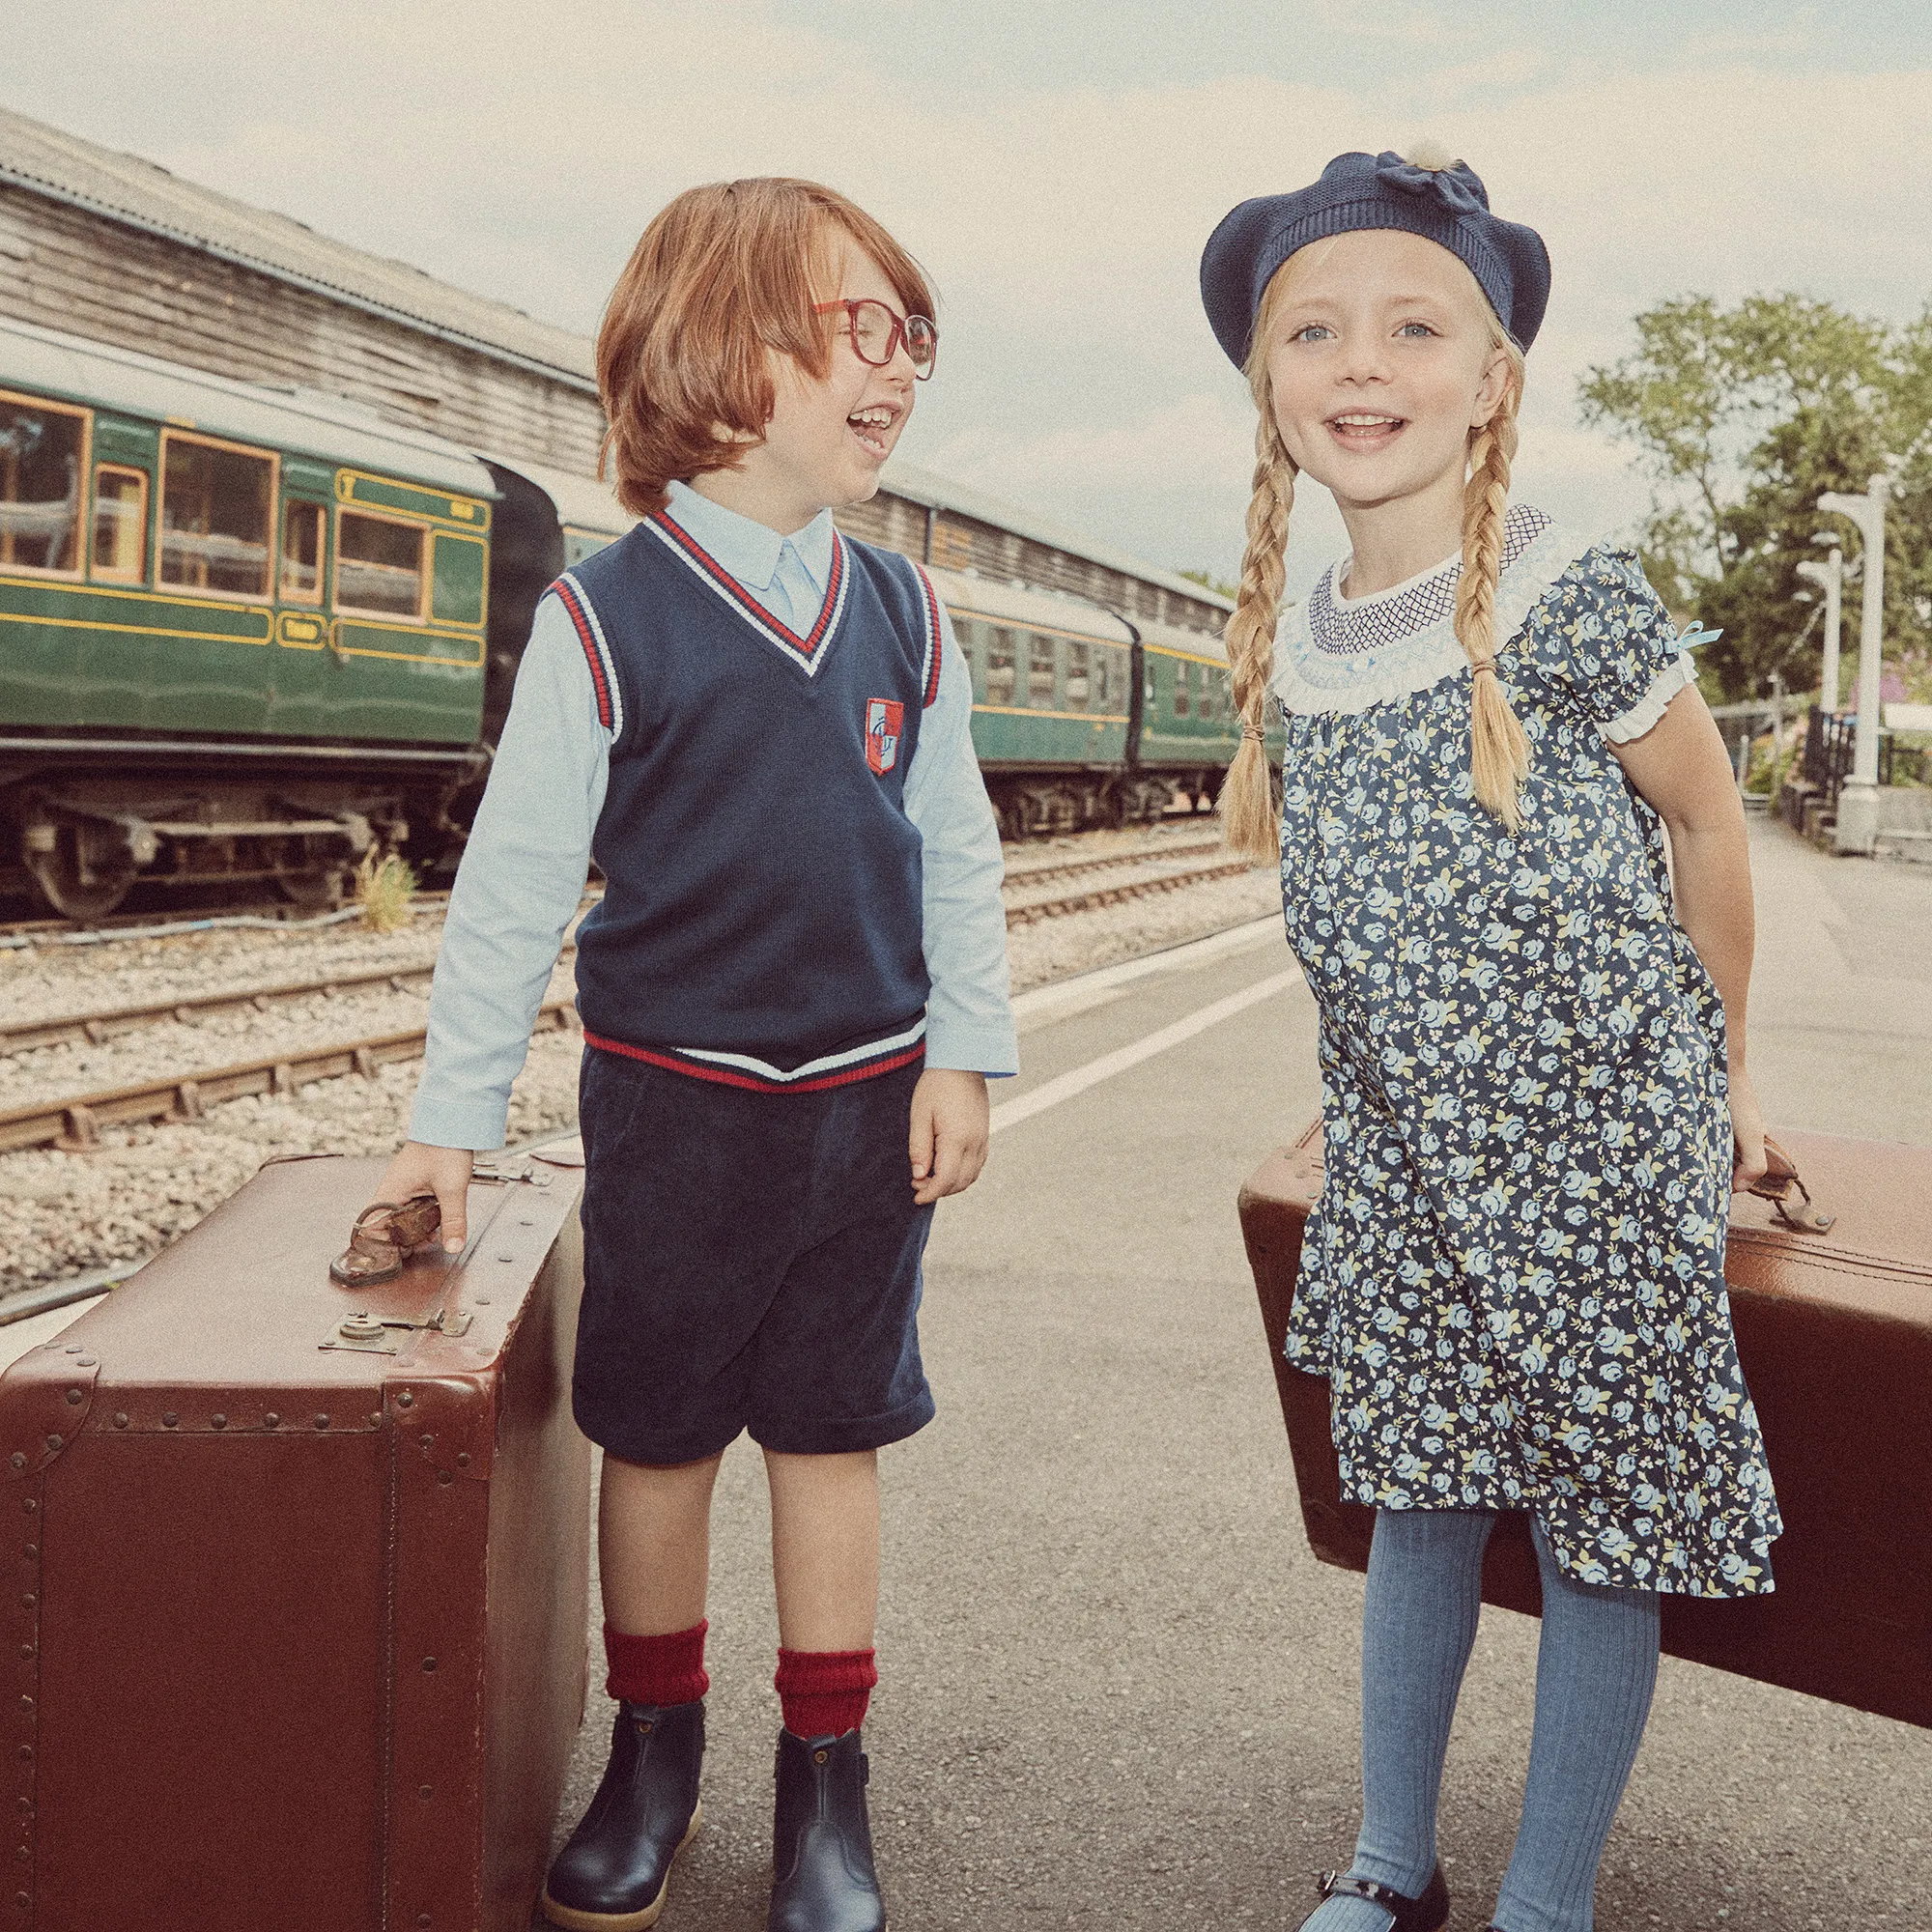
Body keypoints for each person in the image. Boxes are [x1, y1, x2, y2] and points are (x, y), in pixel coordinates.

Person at [365, 177, 1015, 1932]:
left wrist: (969, 1050)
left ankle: (829, 1787)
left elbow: (953, 846)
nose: (899, 368)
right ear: (720, 355)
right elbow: (510, 891)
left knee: (831, 1432)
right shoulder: (605, 620)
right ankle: (655, 1752)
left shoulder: (910, 616)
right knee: (653, 1438)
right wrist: (449, 1118)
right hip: (675, 1110)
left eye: (913, 335)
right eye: (857, 329)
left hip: (871, 1112)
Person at [1198, 147, 1781, 1932]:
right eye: (1314, 330)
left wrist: (1729, 1092)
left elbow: (1710, 829)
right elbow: (1370, 937)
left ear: (1495, 376)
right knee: (1423, 1502)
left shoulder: (1565, 591)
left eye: (1413, 327)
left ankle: (1548, 1896)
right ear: (1270, 383)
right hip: (1412, 1171)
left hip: (1601, 1165)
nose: (1361, 365)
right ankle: (1392, 1863)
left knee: (1602, 1533)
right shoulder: (1297, 638)